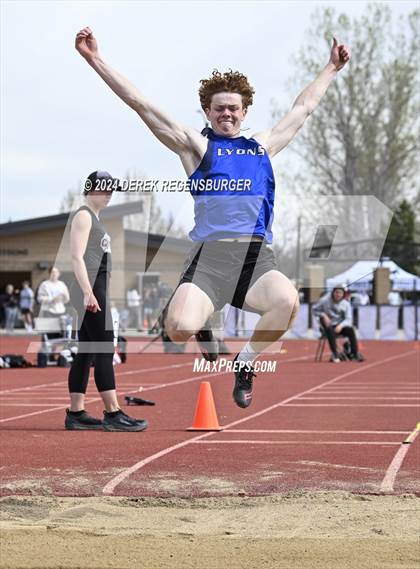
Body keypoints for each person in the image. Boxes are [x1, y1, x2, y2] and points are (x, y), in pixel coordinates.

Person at [75, 27, 351, 408]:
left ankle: (246, 363)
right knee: (177, 329)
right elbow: (140, 103)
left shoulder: (262, 147)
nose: (226, 113)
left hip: (255, 259)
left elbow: (302, 109)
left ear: (244, 113)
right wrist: (95, 60)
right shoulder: (196, 147)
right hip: (209, 259)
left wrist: (331, 69)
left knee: (287, 302)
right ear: (207, 111)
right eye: (219, 107)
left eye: (233, 108)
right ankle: (203, 321)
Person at [66, 170, 148, 432]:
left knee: (87, 351)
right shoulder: (83, 215)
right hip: (90, 290)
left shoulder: (95, 219)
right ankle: (113, 413)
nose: (110, 192)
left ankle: (76, 413)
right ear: (91, 189)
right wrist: (88, 292)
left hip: (94, 290)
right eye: (105, 187)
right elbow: (76, 257)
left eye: (112, 188)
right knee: (103, 348)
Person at [313, 285, 364, 363]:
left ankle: (354, 353)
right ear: (333, 293)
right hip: (327, 327)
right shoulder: (324, 300)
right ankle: (335, 354)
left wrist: (341, 325)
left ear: (343, 294)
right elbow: (314, 310)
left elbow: (349, 319)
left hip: (340, 326)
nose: (338, 295)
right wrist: (323, 315)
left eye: (340, 293)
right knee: (328, 327)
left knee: (350, 329)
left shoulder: (346, 304)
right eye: (336, 293)